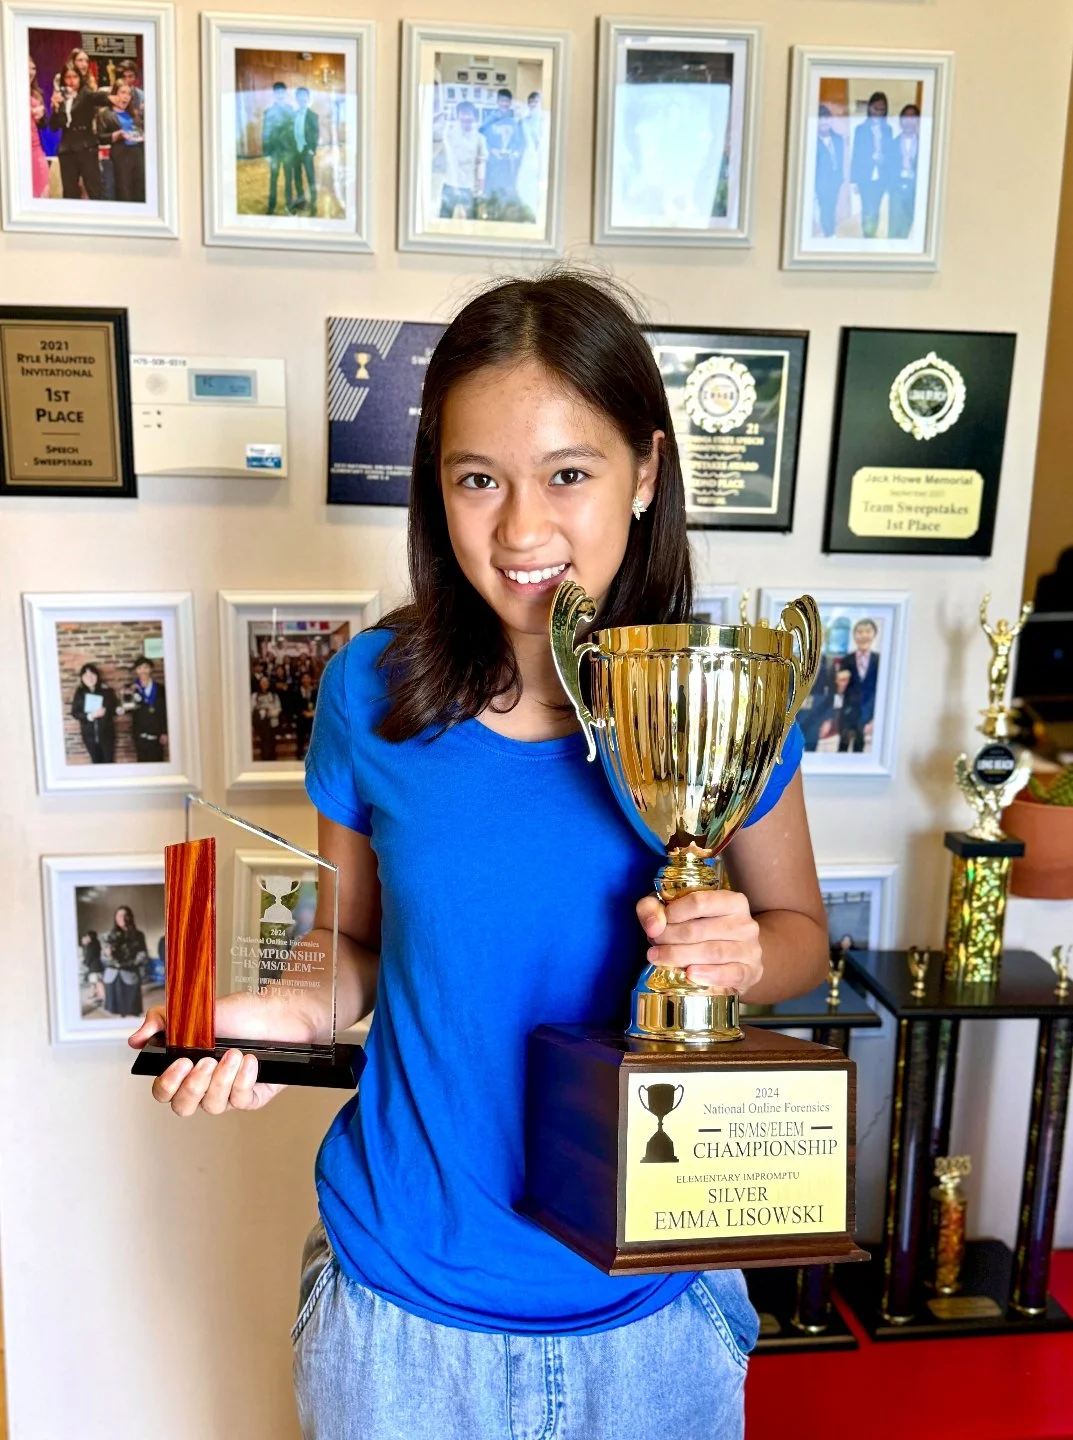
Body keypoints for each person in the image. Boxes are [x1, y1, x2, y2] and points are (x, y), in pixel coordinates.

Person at [130, 271, 830, 1440]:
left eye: (568, 473)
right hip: (403, 1320)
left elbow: (802, 942)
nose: (519, 530)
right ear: (434, 491)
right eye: (476, 480)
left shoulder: (723, 696)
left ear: (645, 470)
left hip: (653, 1315)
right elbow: (352, 943)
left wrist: (740, 959)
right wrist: (283, 1014)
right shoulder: (373, 692)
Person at [48, 61, 111, 200]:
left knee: (95, 189)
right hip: (67, 149)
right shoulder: (60, 97)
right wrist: (56, 108)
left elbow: (100, 98)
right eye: (68, 77)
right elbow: (53, 127)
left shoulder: (86, 93)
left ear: (80, 78)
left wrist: (114, 97)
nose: (71, 81)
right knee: (70, 192)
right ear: (63, 79)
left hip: (86, 147)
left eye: (74, 77)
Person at [849, 91, 895, 239]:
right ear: (869, 108)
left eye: (882, 110)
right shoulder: (860, 130)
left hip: (881, 176)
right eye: (876, 109)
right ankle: (867, 236)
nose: (878, 113)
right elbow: (856, 155)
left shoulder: (888, 130)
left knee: (876, 207)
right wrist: (854, 180)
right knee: (867, 208)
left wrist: (884, 158)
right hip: (865, 176)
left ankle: (872, 232)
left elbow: (890, 153)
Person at [437, 101, 487, 219]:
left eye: (469, 114)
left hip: (469, 186)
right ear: (458, 116)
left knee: (471, 221)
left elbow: (482, 163)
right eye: (462, 114)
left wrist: (480, 185)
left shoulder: (480, 139)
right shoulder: (448, 134)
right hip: (450, 184)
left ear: (475, 117)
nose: (465, 117)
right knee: (443, 220)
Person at [98, 80, 145, 202]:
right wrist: (116, 135)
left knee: (139, 188)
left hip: (137, 153)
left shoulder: (134, 114)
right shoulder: (106, 114)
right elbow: (99, 137)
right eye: (122, 92)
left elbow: (139, 130)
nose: (126, 97)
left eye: (129, 94)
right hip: (120, 155)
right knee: (125, 190)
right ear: (115, 94)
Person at [839, 619, 880, 750]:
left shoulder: (879, 660)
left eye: (868, 631)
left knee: (859, 749)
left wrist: (875, 718)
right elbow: (839, 690)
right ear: (854, 636)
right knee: (842, 747)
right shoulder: (846, 660)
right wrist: (841, 685)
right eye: (859, 632)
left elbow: (880, 691)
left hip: (867, 713)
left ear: (874, 635)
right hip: (847, 713)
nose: (863, 636)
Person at [480, 88, 523, 210]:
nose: (504, 104)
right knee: (491, 189)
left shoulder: (514, 120)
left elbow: (518, 140)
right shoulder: (489, 119)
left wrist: (512, 150)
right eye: (502, 101)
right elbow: (482, 137)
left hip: (507, 163)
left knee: (507, 189)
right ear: (497, 102)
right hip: (493, 162)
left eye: (507, 101)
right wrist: (491, 150)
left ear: (510, 103)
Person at [70, 662, 119, 764]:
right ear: (82, 678)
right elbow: (75, 713)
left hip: (106, 734)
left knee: (109, 762)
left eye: (92, 674)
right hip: (89, 735)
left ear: (97, 676)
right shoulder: (79, 693)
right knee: (96, 762)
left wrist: (107, 710)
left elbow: (115, 709)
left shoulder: (107, 691)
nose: (90, 678)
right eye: (86, 675)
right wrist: (90, 716)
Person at [102, 906, 147, 1017]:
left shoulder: (138, 935)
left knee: (131, 1008)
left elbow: (143, 954)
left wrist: (131, 963)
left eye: (125, 915)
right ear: (115, 918)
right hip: (112, 976)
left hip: (130, 974)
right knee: (115, 1010)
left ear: (130, 917)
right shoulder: (108, 935)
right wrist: (107, 954)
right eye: (119, 915)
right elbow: (103, 956)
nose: (122, 918)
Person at [262, 80, 297, 215]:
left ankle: (289, 205)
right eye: (277, 92)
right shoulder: (268, 112)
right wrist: (267, 154)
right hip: (274, 151)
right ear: (274, 94)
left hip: (288, 151)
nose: (280, 94)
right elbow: (265, 133)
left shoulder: (290, 110)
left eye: (282, 92)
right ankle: (271, 205)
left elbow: (294, 131)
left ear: (286, 93)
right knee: (273, 178)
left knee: (289, 179)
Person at [888, 104, 921, 240]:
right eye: (905, 118)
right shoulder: (893, 143)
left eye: (912, 118)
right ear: (901, 121)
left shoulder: (924, 143)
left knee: (908, 222)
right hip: (897, 188)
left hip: (915, 189)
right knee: (894, 225)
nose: (908, 121)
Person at [128, 656, 168, 762]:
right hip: (139, 733)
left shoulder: (160, 689)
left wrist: (165, 732)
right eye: (139, 668)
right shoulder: (131, 688)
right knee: (142, 764)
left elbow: (165, 711)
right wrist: (126, 697)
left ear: (151, 669)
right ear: (136, 671)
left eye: (146, 667)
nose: (143, 671)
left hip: (157, 733)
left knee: (158, 763)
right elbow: (128, 709)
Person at [814, 103, 845, 238]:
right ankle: (829, 233)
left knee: (832, 206)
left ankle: (830, 231)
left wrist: (840, 178)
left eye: (827, 118)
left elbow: (840, 160)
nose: (824, 122)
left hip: (835, 180)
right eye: (820, 119)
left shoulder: (838, 139)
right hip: (821, 182)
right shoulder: (813, 140)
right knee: (825, 207)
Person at [516, 90, 544, 220]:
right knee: (524, 185)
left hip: (539, 159)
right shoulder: (524, 121)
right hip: (525, 158)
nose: (533, 104)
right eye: (531, 102)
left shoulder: (544, 120)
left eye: (536, 101)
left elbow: (541, 141)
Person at [291, 86, 319, 213]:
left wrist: (312, 149)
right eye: (299, 95)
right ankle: (301, 200)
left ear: (308, 98)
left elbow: (315, 134)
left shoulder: (313, 116)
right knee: (297, 177)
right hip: (295, 151)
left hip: (307, 150)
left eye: (304, 95)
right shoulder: (294, 114)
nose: (302, 97)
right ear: (296, 98)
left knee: (310, 177)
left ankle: (313, 202)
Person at [28, 57, 51, 197]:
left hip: (36, 151)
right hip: (17, 151)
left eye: (33, 68)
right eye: (27, 68)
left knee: (42, 192)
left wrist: (41, 116)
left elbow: (44, 125)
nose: (31, 72)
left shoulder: (36, 95)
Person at [252, 673, 282, 760]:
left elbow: (278, 708)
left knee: (272, 741)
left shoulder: (274, 695)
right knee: (263, 741)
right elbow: (251, 709)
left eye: (266, 682)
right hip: (261, 723)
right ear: (259, 683)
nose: (264, 684)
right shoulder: (255, 696)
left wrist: (270, 712)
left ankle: (272, 757)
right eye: (262, 682)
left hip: (272, 721)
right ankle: (264, 757)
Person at [295, 673, 318, 760]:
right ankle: (299, 755)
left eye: (308, 677)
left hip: (313, 718)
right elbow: (294, 705)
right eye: (304, 678)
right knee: (300, 739)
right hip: (301, 718)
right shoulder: (297, 691)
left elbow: (318, 704)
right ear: (301, 680)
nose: (306, 680)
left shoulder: (315, 691)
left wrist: (313, 713)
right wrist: (304, 713)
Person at [80, 929, 103, 1009]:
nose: (86, 937)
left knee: (97, 982)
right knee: (94, 981)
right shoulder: (96, 943)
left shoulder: (92, 945)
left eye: (87, 936)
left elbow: (89, 955)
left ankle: (101, 997)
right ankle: (94, 994)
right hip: (95, 965)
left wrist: (85, 962)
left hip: (94, 966)